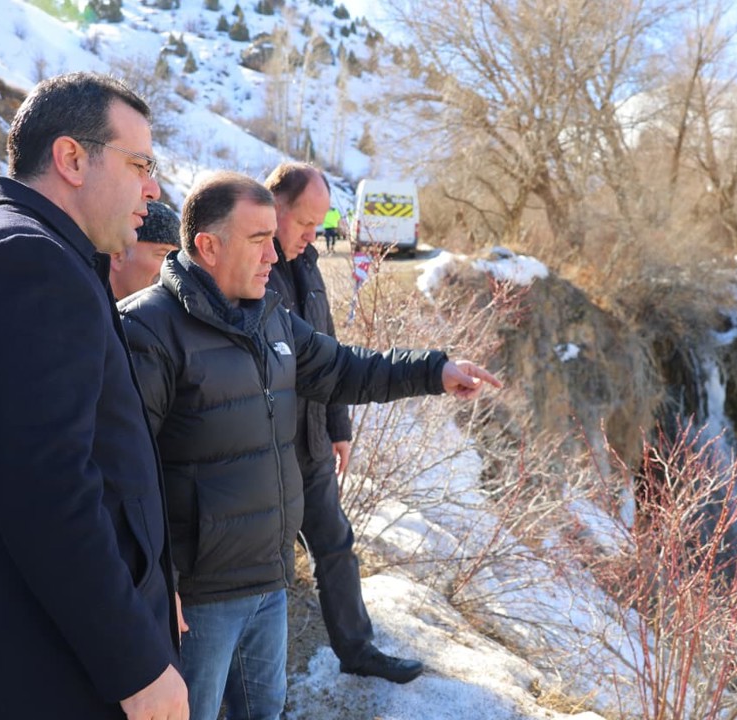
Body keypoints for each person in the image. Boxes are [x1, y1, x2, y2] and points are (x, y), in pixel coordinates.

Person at [118, 171, 500, 720]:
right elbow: (125, 476)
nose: (273, 255)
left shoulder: (270, 317)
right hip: (199, 599)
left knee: (265, 711)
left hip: (269, 580)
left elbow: (344, 369)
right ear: (208, 246)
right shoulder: (147, 331)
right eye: (258, 240)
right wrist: (158, 586)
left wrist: (434, 370)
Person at [0, 72, 187, 719]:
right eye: (140, 164)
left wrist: (152, 582)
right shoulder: (25, 263)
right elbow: (50, 494)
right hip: (34, 671)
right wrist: (137, 665)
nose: (152, 189)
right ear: (71, 158)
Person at [264, 162, 424, 683]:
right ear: (275, 207)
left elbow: (329, 352)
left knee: (334, 544)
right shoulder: (251, 264)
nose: (314, 235)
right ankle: (258, 681)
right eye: (305, 222)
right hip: (264, 449)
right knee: (266, 570)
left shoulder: (309, 263)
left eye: (319, 223)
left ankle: (357, 652)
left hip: (311, 442)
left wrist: (339, 428)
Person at [111, 198, 182, 299]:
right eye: (162, 255)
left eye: (176, 260)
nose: (172, 270)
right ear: (117, 256)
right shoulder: (88, 303)